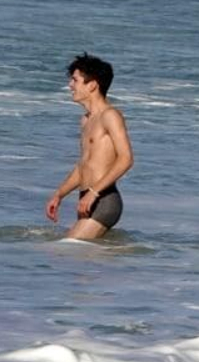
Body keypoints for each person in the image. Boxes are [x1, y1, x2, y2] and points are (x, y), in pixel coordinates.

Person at [45, 53, 134, 241]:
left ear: (92, 84)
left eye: (75, 80)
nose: (70, 85)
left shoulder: (110, 116)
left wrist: (94, 193)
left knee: (64, 248)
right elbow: (83, 166)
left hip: (104, 199)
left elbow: (126, 159)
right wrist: (59, 195)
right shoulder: (86, 120)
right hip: (86, 199)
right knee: (84, 265)